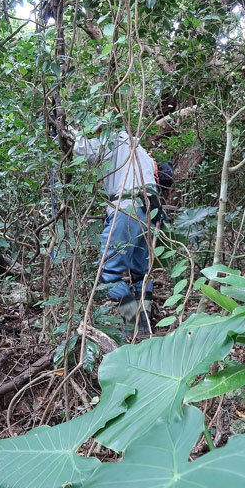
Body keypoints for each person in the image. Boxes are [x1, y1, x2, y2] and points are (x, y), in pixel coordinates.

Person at [74, 127, 160, 336]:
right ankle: (144, 325)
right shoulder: (139, 149)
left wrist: (65, 130)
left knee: (109, 273)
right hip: (149, 210)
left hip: (126, 208)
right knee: (141, 272)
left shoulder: (113, 141)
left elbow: (80, 147)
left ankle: (135, 325)